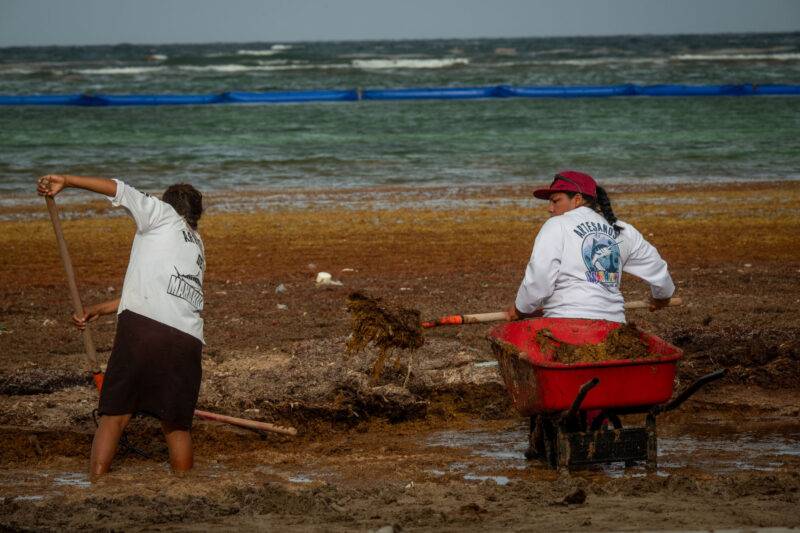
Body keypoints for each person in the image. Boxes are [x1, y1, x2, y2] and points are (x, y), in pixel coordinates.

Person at [37, 174, 205, 477]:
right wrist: (99, 309)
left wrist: (67, 181)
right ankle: (186, 487)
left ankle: (97, 484)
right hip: (188, 340)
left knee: (114, 416)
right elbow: (158, 292)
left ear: (169, 205)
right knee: (176, 425)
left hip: (144, 331)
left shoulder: (161, 214)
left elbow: (119, 189)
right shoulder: (197, 245)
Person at [511, 170, 674, 322]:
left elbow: (539, 276)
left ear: (577, 199)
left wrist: (520, 309)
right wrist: (662, 297)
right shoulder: (623, 230)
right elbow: (657, 270)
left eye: (555, 201)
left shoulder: (556, 225)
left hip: (564, 321)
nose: (550, 208)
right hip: (614, 323)